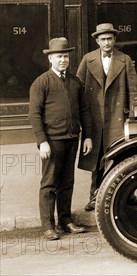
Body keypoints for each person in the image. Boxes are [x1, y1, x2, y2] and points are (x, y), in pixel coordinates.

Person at [29, 37, 93, 240]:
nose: (63, 60)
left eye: (66, 56)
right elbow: (34, 114)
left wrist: (88, 136)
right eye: (59, 56)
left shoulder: (75, 82)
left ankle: (65, 221)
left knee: (67, 182)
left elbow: (84, 110)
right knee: (49, 183)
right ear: (50, 59)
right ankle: (48, 226)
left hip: (72, 138)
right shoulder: (41, 82)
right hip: (52, 141)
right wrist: (42, 142)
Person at [77, 23, 137, 211]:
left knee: (117, 157)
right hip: (94, 118)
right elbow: (78, 89)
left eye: (110, 39)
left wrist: (133, 116)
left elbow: (134, 91)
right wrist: (81, 116)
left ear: (114, 40)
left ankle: (119, 196)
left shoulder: (125, 59)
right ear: (97, 41)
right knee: (96, 159)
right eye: (103, 39)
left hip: (116, 117)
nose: (106, 42)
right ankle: (94, 196)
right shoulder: (88, 60)